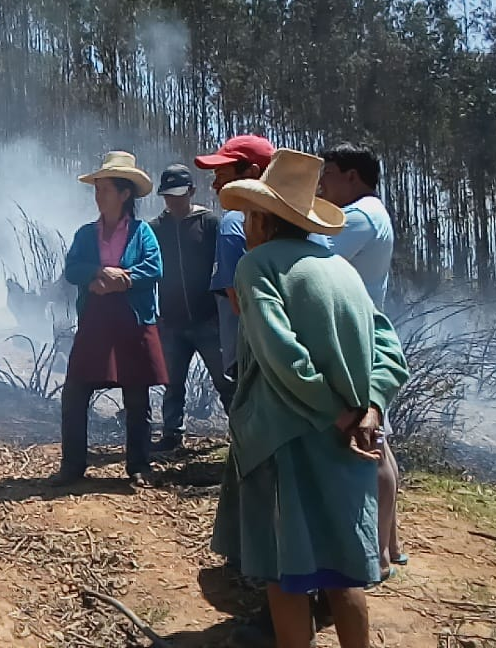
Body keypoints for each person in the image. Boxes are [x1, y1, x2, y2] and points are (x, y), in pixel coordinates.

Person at [210, 149, 410, 648]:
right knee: (343, 573)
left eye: (250, 215)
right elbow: (390, 348)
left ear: (262, 218)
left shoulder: (256, 267)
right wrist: (371, 408)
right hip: (349, 447)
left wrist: (340, 414)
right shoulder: (340, 270)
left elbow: (283, 356)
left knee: (286, 575)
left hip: (284, 445)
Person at [50, 151, 167, 487]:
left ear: (124, 193)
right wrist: (97, 274)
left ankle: (139, 466)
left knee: (137, 397)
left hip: (132, 320)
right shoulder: (86, 234)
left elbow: (154, 268)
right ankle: (72, 466)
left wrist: (125, 278)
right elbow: (72, 268)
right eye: (96, 190)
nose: (98, 196)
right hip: (96, 321)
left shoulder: (142, 233)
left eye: (104, 189)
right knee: (75, 392)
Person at [316, 142, 403, 579]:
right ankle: (391, 542)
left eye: (329, 173)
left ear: (353, 176)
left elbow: (316, 257)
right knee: (379, 443)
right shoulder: (371, 212)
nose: (323, 183)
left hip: (356, 339)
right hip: (362, 333)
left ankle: (380, 555)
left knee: (371, 444)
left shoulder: (360, 216)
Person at [148, 164, 233, 452]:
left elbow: (224, 266)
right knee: (172, 383)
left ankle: (241, 432)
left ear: (191, 191)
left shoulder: (210, 223)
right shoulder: (156, 229)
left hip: (207, 318)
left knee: (226, 380)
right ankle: (172, 434)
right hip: (171, 320)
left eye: (178, 194)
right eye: (168, 195)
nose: (173, 201)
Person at [193, 135, 277, 375]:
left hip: (251, 357)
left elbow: (239, 303)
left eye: (222, 176)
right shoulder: (297, 226)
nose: (215, 185)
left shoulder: (232, 224)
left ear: (251, 173)